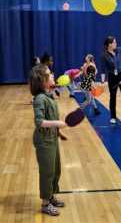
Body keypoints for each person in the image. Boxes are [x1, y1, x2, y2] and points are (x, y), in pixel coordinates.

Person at [28, 64, 67, 216]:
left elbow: (51, 117)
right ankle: (45, 203)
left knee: (56, 169)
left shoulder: (49, 95)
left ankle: (50, 196)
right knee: (47, 171)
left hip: (52, 137)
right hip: (44, 141)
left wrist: (58, 132)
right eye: (49, 73)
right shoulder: (39, 99)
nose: (52, 75)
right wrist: (57, 124)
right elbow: (39, 122)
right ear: (42, 80)